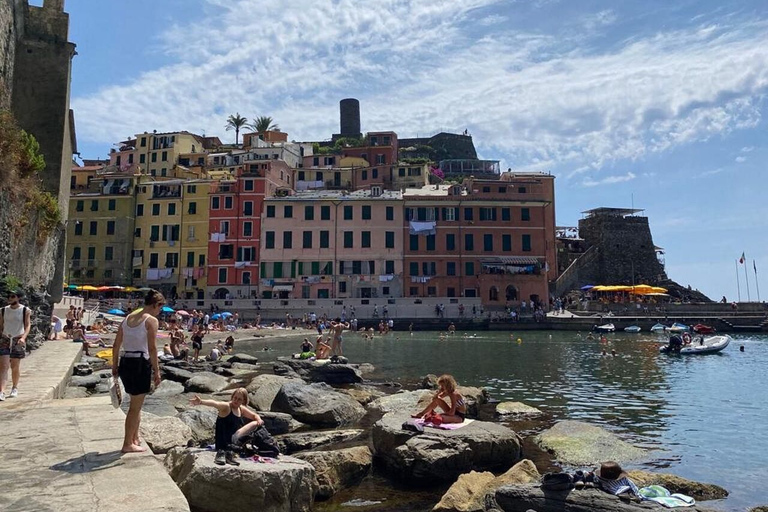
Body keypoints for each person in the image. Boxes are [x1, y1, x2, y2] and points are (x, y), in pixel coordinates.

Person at [111, 289, 163, 453]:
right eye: (160, 307)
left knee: (136, 404)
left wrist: (115, 365)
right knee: (135, 407)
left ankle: (135, 437)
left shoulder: (127, 319)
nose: (160, 311)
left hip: (126, 361)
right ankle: (127, 443)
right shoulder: (151, 321)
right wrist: (157, 371)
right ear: (155, 305)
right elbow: (152, 349)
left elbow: (116, 344)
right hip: (140, 363)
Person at [189, 388, 265, 466]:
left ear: (243, 401)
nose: (236, 401)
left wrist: (259, 419)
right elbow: (215, 403)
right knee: (254, 424)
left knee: (256, 423)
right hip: (223, 443)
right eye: (235, 398)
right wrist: (201, 402)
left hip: (234, 440)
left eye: (239, 399)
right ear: (232, 397)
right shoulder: (226, 407)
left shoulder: (240, 408)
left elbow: (254, 415)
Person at [0, 290, 32, 400]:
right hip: (5, 338)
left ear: (18, 298)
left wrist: (23, 338)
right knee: (3, 366)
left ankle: (14, 387)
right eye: (8, 296)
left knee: (15, 366)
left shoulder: (24, 310)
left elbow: (27, 325)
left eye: (12, 296)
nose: (10, 298)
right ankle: (2, 391)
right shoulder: (3, 310)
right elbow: (1, 325)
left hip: (18, 339)